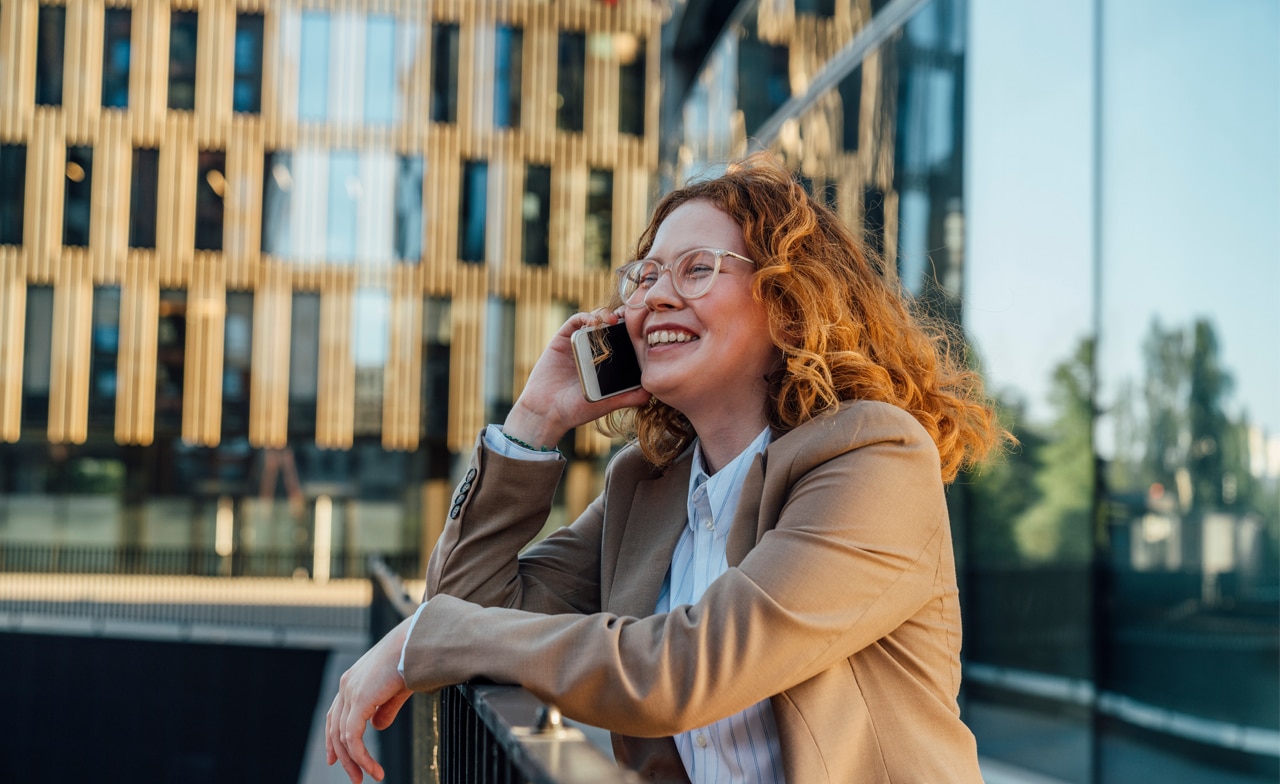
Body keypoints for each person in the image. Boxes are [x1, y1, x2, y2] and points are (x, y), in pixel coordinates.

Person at [325, 152, 1007, 783]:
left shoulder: (873, 459)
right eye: (645, 275)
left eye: (697, 268)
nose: (653, 296)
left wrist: (424, 636)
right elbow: (467, 606)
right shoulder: (645, 486)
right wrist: (536, 420)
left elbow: (684, 671)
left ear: (788, 303)